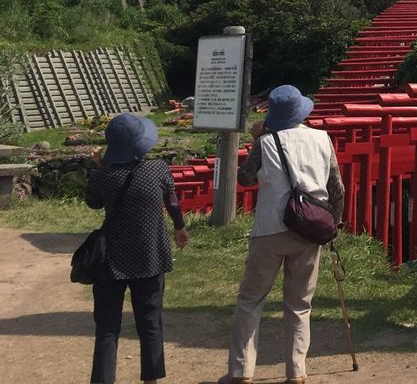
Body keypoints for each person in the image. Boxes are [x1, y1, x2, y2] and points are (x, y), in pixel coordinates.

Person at [218, 85, 344, 384]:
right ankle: (296, 371)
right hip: (310, 229)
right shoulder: (322, 139)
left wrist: (257, 139)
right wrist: (332, 227)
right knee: (300, 304)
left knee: (251, 299)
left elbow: (246, 178)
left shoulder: (266, 142)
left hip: (270, 228)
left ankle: (241, 372)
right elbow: (337, 188)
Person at [85, 112, 189, 384]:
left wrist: (99, 167)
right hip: (150, 255)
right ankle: (151, 379)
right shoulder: (157, 170)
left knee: (107, 327)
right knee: (151, 321)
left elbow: (93, 203)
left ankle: (103, 379)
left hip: (111, 260)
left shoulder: (103, 176)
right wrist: (180, 228)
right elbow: (173, 202)